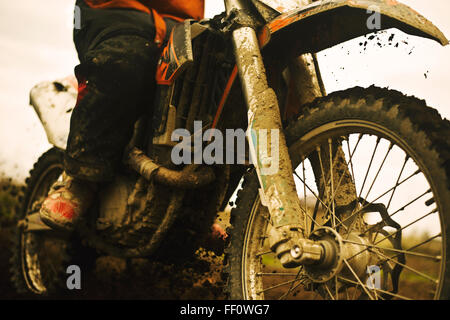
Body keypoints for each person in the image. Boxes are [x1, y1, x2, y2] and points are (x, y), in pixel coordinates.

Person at [39, 0, 205, 231]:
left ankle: (197, 208)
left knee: (217, 79)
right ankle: (82, 176)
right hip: (113, 9)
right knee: (126, 59)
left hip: (183, 24)